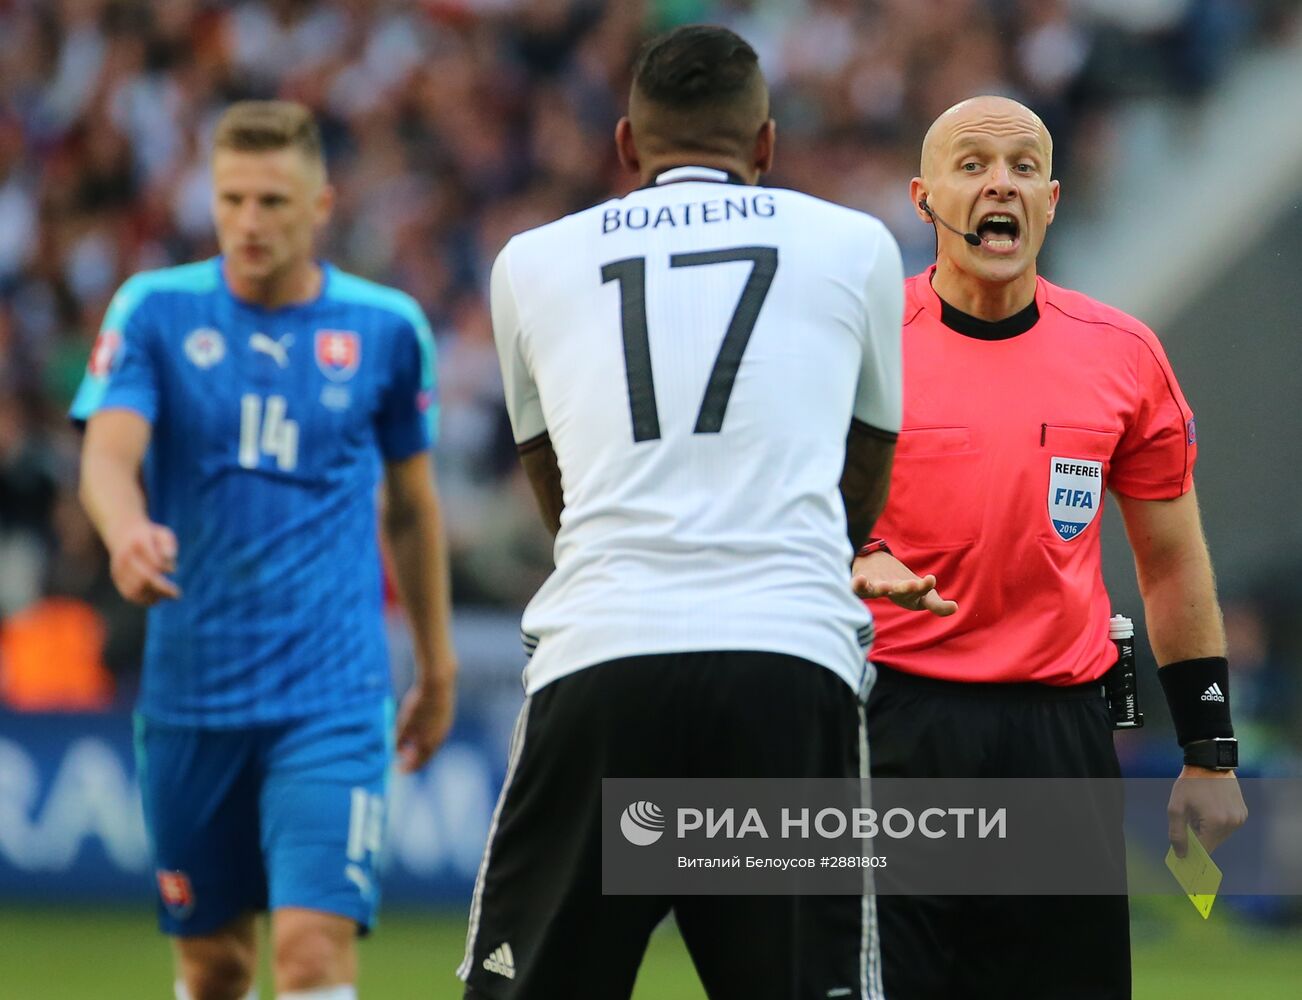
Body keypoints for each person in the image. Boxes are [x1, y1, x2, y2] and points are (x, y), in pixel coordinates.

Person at [459, 25, 904, 1000]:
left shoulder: (529, 263)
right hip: (788, 664)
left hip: (600, 659)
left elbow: (555, 485)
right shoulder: (859, 245)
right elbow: (866, 464)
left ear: (625, 143)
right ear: (767, 146)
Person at [850, 95, 1248, 1000]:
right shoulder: (861, 343)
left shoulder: (1123, 354)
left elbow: (1173, 564)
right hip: (893, 727)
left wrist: (1209, 753)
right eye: (974, 164)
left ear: (1054, 199)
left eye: (1025, 167)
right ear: (923, 197)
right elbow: (783, 524)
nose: (1002, 183)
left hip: (1057, 738)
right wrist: (848, 560)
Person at [71, 101, 457, 1000]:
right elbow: (108, 455)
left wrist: (435, 671)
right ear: (210, 198)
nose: (251, 221)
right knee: (214, 970)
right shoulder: (155, 311)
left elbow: (412, 508)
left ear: (321, 204)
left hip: (332, 697)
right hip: (189, 698)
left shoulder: (388, 329)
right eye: (233, 198)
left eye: (274, 202)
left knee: (312, 954)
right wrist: (126, 531)